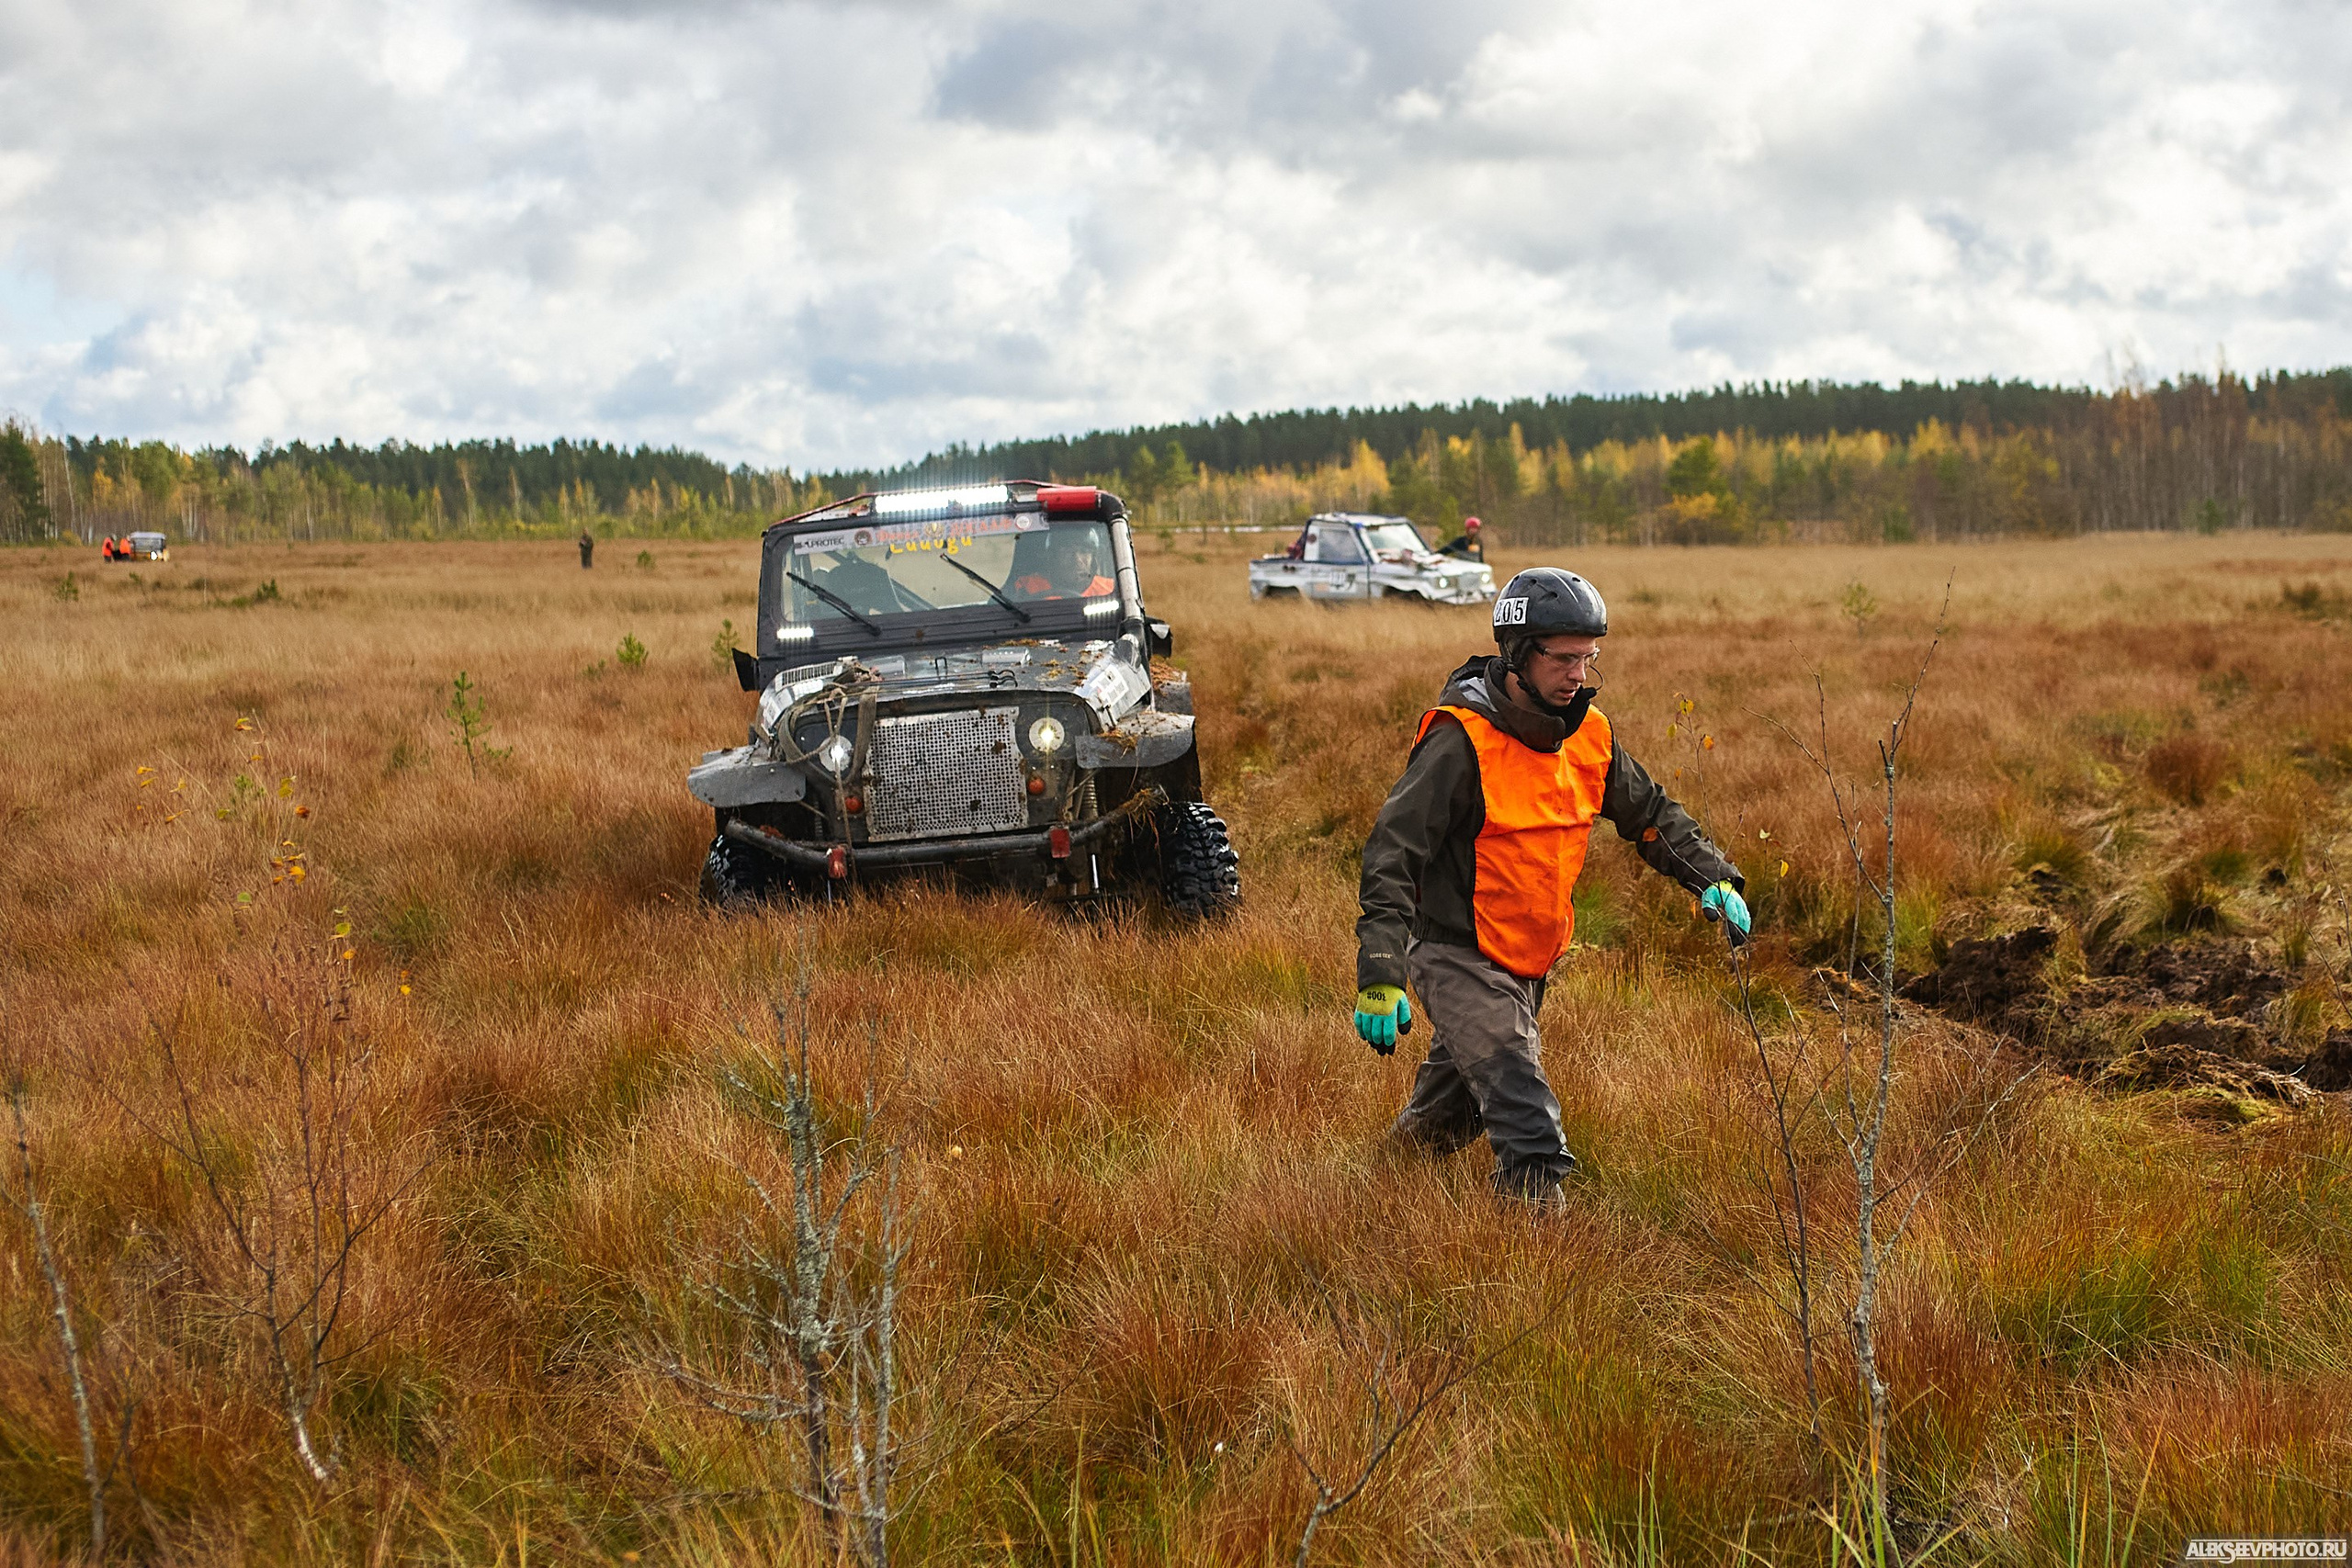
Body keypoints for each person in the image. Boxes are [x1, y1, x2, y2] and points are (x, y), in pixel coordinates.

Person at [1352, 567, 1748, 1208]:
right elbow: (1392, 855)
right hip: (1458, 955)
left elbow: (1649, 814)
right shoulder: (1460, 740)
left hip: (1531, 957)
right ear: (1517, 653)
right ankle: (1538, 1255)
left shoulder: (1590, 736)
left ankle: (1376, 1191)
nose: (1578, 675)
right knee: (1524, 1112)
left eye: (1588, 659)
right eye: (1564, 658)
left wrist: (1714, 878)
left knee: (1452, 1117)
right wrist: (1381, 971)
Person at [1011, 528, 1114, 600]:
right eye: (1067, 551)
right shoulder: (1027, 586)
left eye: (1084, 551)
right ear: (1052, 556)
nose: (1077, 559)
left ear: (1093, 558)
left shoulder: (1109, 590)